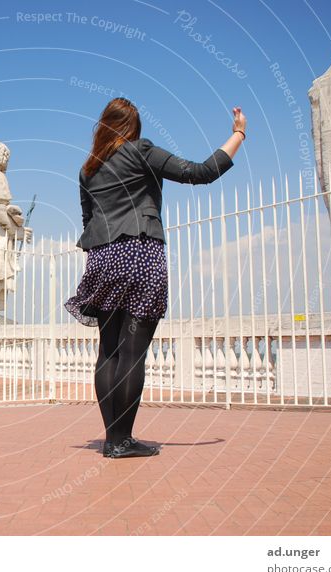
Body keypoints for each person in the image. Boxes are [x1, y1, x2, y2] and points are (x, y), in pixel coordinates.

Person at [64, 97, 245, 458]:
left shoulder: (88, 169)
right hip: (140, 253)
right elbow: (200, 172)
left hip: (102, 258)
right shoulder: (140, 151)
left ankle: (113, 439)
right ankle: (122, 441)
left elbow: (87, 221)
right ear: (134, 128)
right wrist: (238, 134)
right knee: (133, 353)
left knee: (109, 352)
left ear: (102, 126)